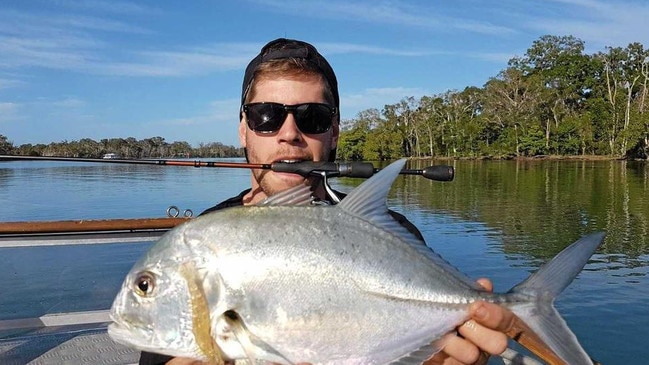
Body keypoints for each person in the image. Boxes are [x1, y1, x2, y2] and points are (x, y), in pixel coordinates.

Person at [140, 38, 514, 365]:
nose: (289, 134)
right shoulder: (203, 240)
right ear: (243, 128)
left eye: (312, 117)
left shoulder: (391, 231)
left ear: (334, 131)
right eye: (265, 116)